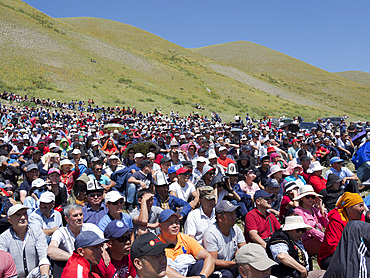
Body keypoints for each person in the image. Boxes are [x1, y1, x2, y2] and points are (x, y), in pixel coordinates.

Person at [48, 204, 104, 278]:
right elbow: (51, 250)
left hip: (90, 263)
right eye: (75, 216)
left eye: (80, 214)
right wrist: (75, 258)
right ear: (66, 219)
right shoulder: (61, 232)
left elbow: (104, 243)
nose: (79, 218)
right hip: (68, 265)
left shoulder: (91, 227)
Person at [158, 209, 215, 277]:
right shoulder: (156, 243)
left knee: (201, 264)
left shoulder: (186, 239)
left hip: (187, 272)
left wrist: (202, 276)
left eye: (176, 222)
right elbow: (160, 267)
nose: (175, 225)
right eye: (170, 223)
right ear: (160, 227)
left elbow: (208, 256)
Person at [0, 204, 50, 278]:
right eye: (18, 215)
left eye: (24, 214)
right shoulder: (3, 238)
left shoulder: (37, 232)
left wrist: (44, 276)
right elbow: (3, 263)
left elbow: (43, 257)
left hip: (35, 275)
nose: (23, 217)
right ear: (9, 220)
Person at [318, 192, 365, 270]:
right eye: (360, 205)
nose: (363, 209)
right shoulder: (336, 221)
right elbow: (333, 246)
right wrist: (352, 255)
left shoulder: (361, 218)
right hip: (331, 256)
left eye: (363, 205)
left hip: (354, 253)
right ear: (348, 208)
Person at [203, 200, 246, 278]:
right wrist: (235, 264)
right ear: (220, 217)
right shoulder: (211, 234)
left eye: (235, 213)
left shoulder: (236, 228)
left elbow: (244, 248)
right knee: (228, 275)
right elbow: (213, 262)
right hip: (217, 270)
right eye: (230, 214)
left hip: (231, 266)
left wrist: (239, 255)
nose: (234, 217)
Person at [293, 185, 329, 256]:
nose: (310, 199)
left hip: (318, 239)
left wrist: (321, 208)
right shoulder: (298, 211)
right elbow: (308, 229)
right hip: (306, 241)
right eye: (307, 197)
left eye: (312, 197)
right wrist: (324, 237)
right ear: (302, 198)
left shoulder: (315, 210)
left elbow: (326, 224)